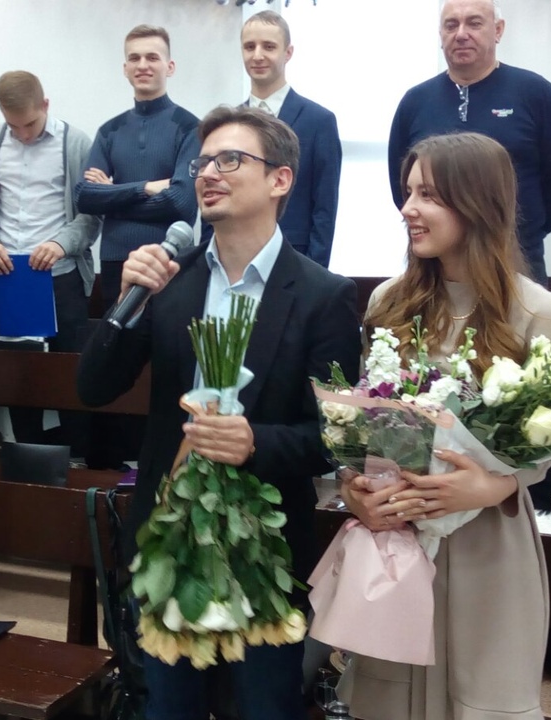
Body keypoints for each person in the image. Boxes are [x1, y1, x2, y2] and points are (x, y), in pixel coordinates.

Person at [77, 105, 362, 720]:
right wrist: (126, 299)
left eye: (230, 160)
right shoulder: (169, 283)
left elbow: (336, 440)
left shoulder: (324, 295)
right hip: (168, 535)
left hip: (268, 549)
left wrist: (254, 442)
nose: (208, 172)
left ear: (280, 179)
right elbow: (94, 388)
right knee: (167, 708)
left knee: (264, 707)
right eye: (202, 162)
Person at [337, 133, 551, 720]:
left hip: (488, 539)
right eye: (409, 192)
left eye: (429, 195)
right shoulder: (389, 302)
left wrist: (493, 485)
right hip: (401, 531)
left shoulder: (534, 310)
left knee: (480, 696)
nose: (408, 208)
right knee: (391, 696)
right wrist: (354, 488)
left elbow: (550, 438)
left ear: (478, 203)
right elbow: (365, 424)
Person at [75, 24, 200, 470]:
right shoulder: (109, 131)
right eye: (134, 58)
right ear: (125, 68)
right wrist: (148, 186)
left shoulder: (190, 127)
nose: (143, 65)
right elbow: (84, 196)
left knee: (168, 364)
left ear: (170, 66)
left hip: (173, 265)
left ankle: (168, 460)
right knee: (120, 359)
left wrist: (114, 193)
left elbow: (182, 201)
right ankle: (119, 464)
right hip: (117, 266)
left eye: (152, 57)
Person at [387, 0, 551, 288]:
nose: (461, 34)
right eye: (451, 25)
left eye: (474, 23)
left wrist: (519, 230)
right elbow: (401, 185)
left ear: (498, 30)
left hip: (515, 262)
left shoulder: (537, 94)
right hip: (434, 270)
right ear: (440, 34)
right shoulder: (415, 102)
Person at [0, 70, 99, 448]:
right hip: (7, 276)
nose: (23, 134)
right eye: (13, 126)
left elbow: (92, 212)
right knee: (19, 379)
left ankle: (77, 460)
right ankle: (27, 459)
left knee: (70, 376)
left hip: (61, 276)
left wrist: (61, 243)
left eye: (31, 124)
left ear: (46, 105)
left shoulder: (76, 143)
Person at [240, 10, 341, 267]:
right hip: (236, 256)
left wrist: (315, 272)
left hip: (296, 257)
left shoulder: (319, 122)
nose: (257, 55)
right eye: (250, 47)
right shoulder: (230, 125)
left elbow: (324, 208)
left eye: (269, 46)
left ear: (288, 52)